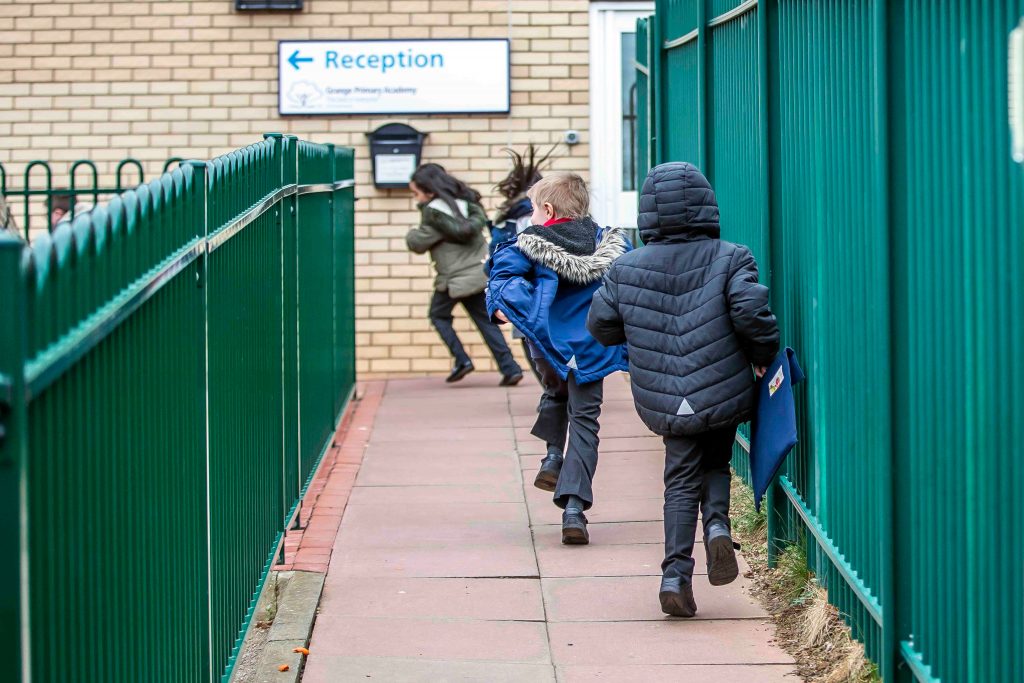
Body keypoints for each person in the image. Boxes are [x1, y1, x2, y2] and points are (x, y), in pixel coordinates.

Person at [586, 162, 780, 617]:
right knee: (715, 458)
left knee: (679, 475)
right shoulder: (731, 256)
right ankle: (716, 526)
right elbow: (750, 313)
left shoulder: (625, 267)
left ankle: (675, 573)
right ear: (705, 205)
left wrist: (640, 333)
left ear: (648, 213)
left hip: (663, 389)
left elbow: (601, 326)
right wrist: (763, 354)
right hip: (722, 383)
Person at [487, 172, 630, 544]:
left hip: (549, 346)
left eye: (534, 209)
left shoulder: (527, 245)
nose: (532, 216)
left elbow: (502, 285)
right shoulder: (610, 244)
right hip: (593, 349)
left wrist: (524, 312)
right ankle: (573, 509)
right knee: (585, 420)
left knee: (554, 389)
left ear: (547, 210)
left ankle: (552, 455)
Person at [405, 163, 524, 386]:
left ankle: (462, 360)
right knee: (485, 321)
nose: (416, 199)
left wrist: (415, 232)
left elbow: (417, 242)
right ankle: (511, 368)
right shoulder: (467, 206)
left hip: (455, 278)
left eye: (416, 194)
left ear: (429, 192)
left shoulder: (434, 213)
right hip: (477, 273)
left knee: (438, 315)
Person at [490, 145, 554, 384]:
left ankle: (553, 390)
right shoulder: (530, 212)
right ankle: (555, 389)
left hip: (528, 286)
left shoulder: (524, 215)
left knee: (532, 340)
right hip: (532, 285)